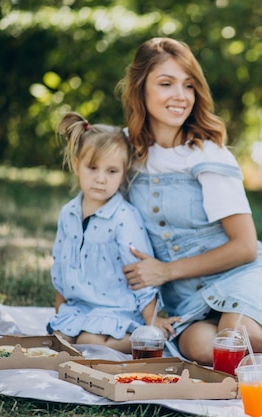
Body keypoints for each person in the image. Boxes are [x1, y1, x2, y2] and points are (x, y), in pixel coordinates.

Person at [118, 37, 262, 364]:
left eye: (189, 86)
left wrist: (165, 271)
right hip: (188, 301)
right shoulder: (123, 152)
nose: (180, 96)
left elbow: (245, 246)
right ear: (140, 89)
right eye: (166, 84)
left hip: (242, 274)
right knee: (204, 349)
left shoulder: (208, 155)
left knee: (245, 335)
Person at [48, 112, 181, 354]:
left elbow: (140, 274)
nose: (100, 179)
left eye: (111, 171)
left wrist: (153, 320)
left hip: (114, 310)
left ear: (123, 173)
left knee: (90, 342)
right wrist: (61, 313)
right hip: (79, 308)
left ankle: (144, 338)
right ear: (76, 165)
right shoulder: (68, 213)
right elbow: (60, 265)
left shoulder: (124, 218)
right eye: (92, 168)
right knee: (58, 341)